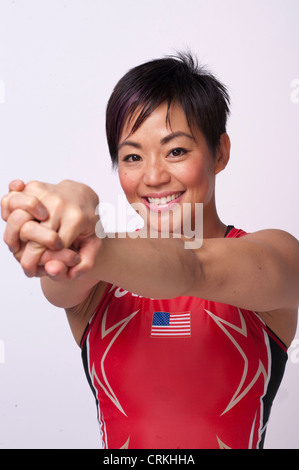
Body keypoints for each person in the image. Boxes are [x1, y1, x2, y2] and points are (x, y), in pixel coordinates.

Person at [1, 53, 299, 449]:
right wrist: (69, 220)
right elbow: (61, 280)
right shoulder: (92, 284)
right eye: (132, 157)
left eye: (176, 151)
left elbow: (192, 264)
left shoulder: (277, 255)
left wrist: (90, 239)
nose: (154, 177)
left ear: (220, 152)